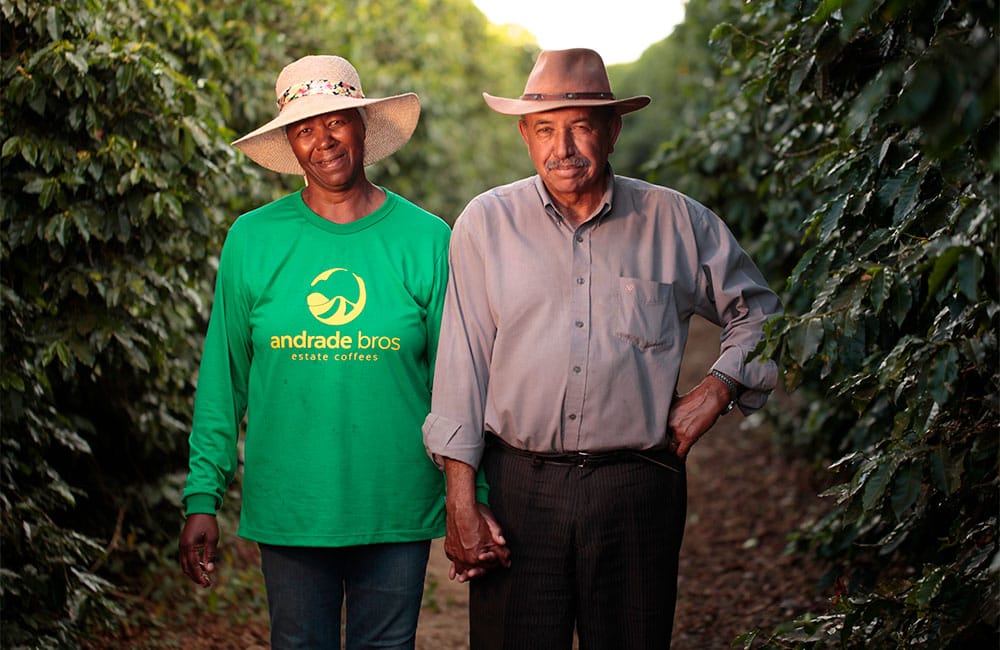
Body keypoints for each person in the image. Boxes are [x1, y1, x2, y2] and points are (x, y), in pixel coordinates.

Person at [422, 48, 783, 649]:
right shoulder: (485, 223)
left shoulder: (676, 221)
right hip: (519, 490)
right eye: (545, 129)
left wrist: (716, 389)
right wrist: (460, 497)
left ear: (614, 130)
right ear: (524, 135)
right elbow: (463, 367)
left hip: (638, 487)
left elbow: (762, 315)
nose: (562, 147)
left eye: (581, 126)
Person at [178, 54, 451, 650]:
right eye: (304, 128)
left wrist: (470, 494)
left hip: (395, 503)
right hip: (292, 505)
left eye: (336, 121)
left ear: (361, 125)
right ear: (290, 143)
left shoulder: (427, 239)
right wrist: (203, 494)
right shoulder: (253, 239)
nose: (323, 140)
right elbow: (224, 378)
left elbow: (457, 381)